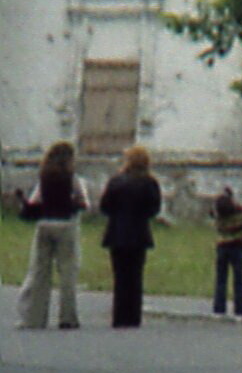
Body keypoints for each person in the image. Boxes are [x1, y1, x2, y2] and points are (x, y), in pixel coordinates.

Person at [16, 141, 84, 330]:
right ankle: (68, 317)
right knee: (67, 272)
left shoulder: (44, 177)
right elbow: (82, 200)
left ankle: (35, 318)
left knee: (40, 272)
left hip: (44, 224)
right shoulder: (72, 178)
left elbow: (34, 200)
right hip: (65, 224)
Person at [96, 143, 165, 330]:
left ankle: (119, 316)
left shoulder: (116, 181)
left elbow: (104, 206)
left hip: (117, 233)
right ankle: (133, 316)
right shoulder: (150, 183)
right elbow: (154, 209)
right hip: (139, 233)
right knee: (135, 276)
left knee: (120, 276)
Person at [208, 185, 242, 319]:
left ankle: (219, 309)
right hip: (237, 247)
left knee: (221, 279)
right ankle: (239, 311)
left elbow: (213, 215)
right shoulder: (240, 216)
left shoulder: (219, 217)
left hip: (222, 246)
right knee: (238, 280)